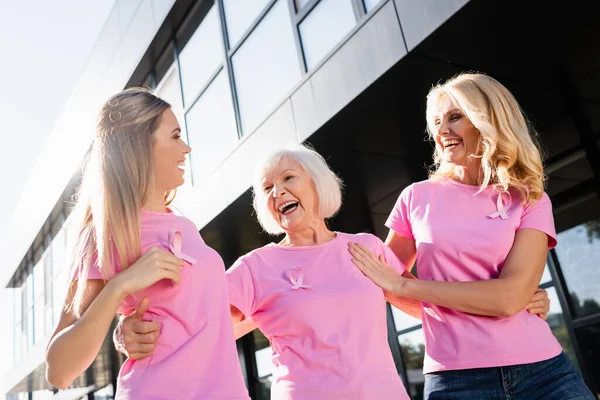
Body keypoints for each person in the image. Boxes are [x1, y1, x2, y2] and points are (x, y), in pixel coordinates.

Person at [116, 144, 551, 399]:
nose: (277, 192)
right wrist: (125, 332)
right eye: (267, 188)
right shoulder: (258, 266)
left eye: (288, 179)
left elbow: (428, 303)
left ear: (316, 185)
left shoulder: (364, 248)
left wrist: (515, 302)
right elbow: (199, 323)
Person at [349, 73, 595, 399]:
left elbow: (508, 299)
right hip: (455, 382)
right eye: (436, 122)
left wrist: (412, 287)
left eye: (454, 117)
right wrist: (453, 314)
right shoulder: (415, 198)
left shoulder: (529, 198)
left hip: (545, 372)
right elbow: (383, 280)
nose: (441, 131)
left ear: (487, 119)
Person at [45, 88, 249, 400]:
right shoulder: (105, 233)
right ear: (141, 145)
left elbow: (208, 328)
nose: (187, 148)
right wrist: (119, 287)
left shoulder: (185, 227)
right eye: (176, 136)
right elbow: (59, 370)